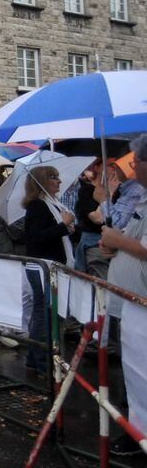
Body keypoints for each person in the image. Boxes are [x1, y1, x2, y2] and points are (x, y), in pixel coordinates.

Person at [100, 133, 147, 457]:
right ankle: (137, 430)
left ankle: (140, 436)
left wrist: (117, 240)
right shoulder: (142, 196)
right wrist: (113, 243)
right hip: (132, 298)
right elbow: (133, 236)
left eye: (136, 161)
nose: (133, 168)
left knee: (142, 374)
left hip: (142, 302)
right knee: (134, 374)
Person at [22, 165, 75, 374]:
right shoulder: (38, 206)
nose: (59, 181)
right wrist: (63, 226)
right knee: (46, 314)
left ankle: (35, 359)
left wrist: (67, 227)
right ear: (43, 181)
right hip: (43, 266)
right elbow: (37, 238)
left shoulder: (52, 204)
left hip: (49, 265)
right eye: (54, 177)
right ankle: (44, 363)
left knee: (42, 313)